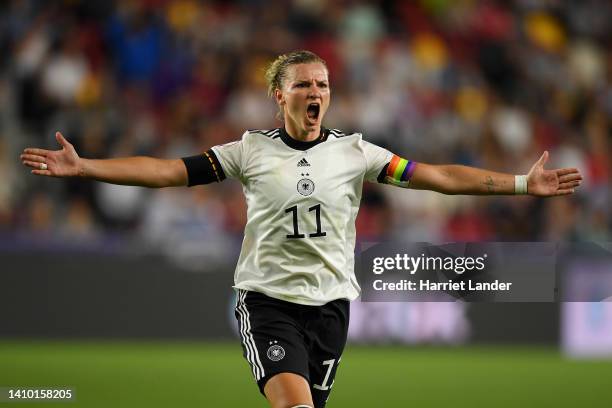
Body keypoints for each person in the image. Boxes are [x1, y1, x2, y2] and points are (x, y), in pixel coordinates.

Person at [21, 50, 582, 408]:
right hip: (267, 302)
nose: (317, 91)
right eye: (304, 84)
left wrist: (518, 184)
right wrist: (86, 166)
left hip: (332, 308)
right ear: (279, 95)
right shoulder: (249, 150)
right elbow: (171, 171)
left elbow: (436, 176)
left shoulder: (357, 152)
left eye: (324, 83)